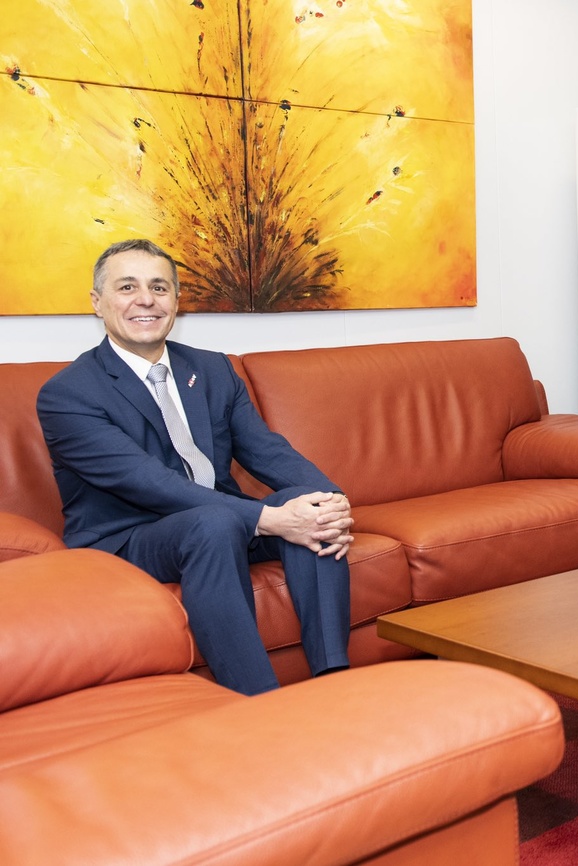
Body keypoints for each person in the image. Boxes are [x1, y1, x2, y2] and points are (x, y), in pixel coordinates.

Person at [37, 239, 353, 696]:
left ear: (176, 302)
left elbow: (267, 450)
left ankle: (333, 683)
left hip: (222, 525)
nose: (146, 300)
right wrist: (269, 519)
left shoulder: (212, 369)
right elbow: (147, 482)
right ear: (97, 303)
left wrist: (332, 501)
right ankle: (257, 702)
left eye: (159, 287)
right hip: (129, 539)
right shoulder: (68, 394)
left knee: (306, 505)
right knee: (216, 520)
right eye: (127, 287)